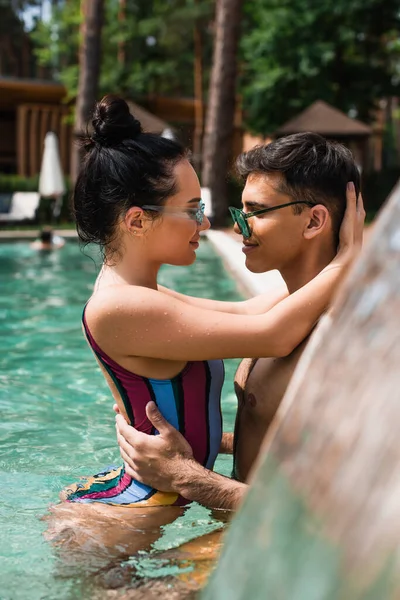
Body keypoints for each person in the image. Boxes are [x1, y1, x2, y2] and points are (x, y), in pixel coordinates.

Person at [50, 97, 361, 563]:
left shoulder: (144, 295)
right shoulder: (124, 304)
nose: (217, 224)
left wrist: (346, 265)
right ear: (138, 220)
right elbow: (271, 330)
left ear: (313, 220)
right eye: (193, 208)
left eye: (250, 211)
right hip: (122, 520)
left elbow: (255, 313)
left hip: (164, 511)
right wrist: (346, 262)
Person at [114, 132, 365, 512]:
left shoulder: (340, 345)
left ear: (314, 221)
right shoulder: (282, 312)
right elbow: (284, 438)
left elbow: (336, 511)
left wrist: (183, 474)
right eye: (240, 211)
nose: (238, 227)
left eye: (256, 212)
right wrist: (180, 443)